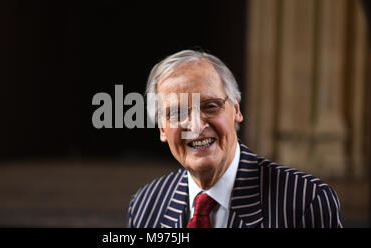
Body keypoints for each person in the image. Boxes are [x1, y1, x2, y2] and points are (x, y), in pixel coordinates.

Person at [127, 50, 342, 228]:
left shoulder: (307, 201)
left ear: (236, 110)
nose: (196, 126)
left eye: (210, 106)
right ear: (162, 129)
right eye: (177, 113)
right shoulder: (145, 206)